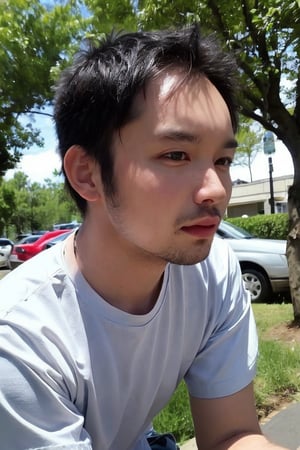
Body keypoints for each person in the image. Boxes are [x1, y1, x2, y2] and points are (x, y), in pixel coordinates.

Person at [0, 25, 287, 450]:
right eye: (176, 155)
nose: (216, 190)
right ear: (87, 174)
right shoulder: (20, 340)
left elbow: (232, 433)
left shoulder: (214, 269)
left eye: (222, 159)